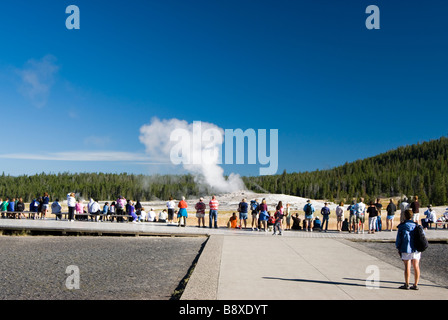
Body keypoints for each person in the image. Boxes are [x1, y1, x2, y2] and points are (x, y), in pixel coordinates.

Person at [396, 209, 421, 290]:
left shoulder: (402, 226)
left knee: (407, 266)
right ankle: (416, 284)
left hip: (406, 247)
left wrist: (398, 247)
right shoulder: (417, 225)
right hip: (416, 248)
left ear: (405, 216)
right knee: (416, 265)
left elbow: (399, 239)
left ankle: (407, 283)